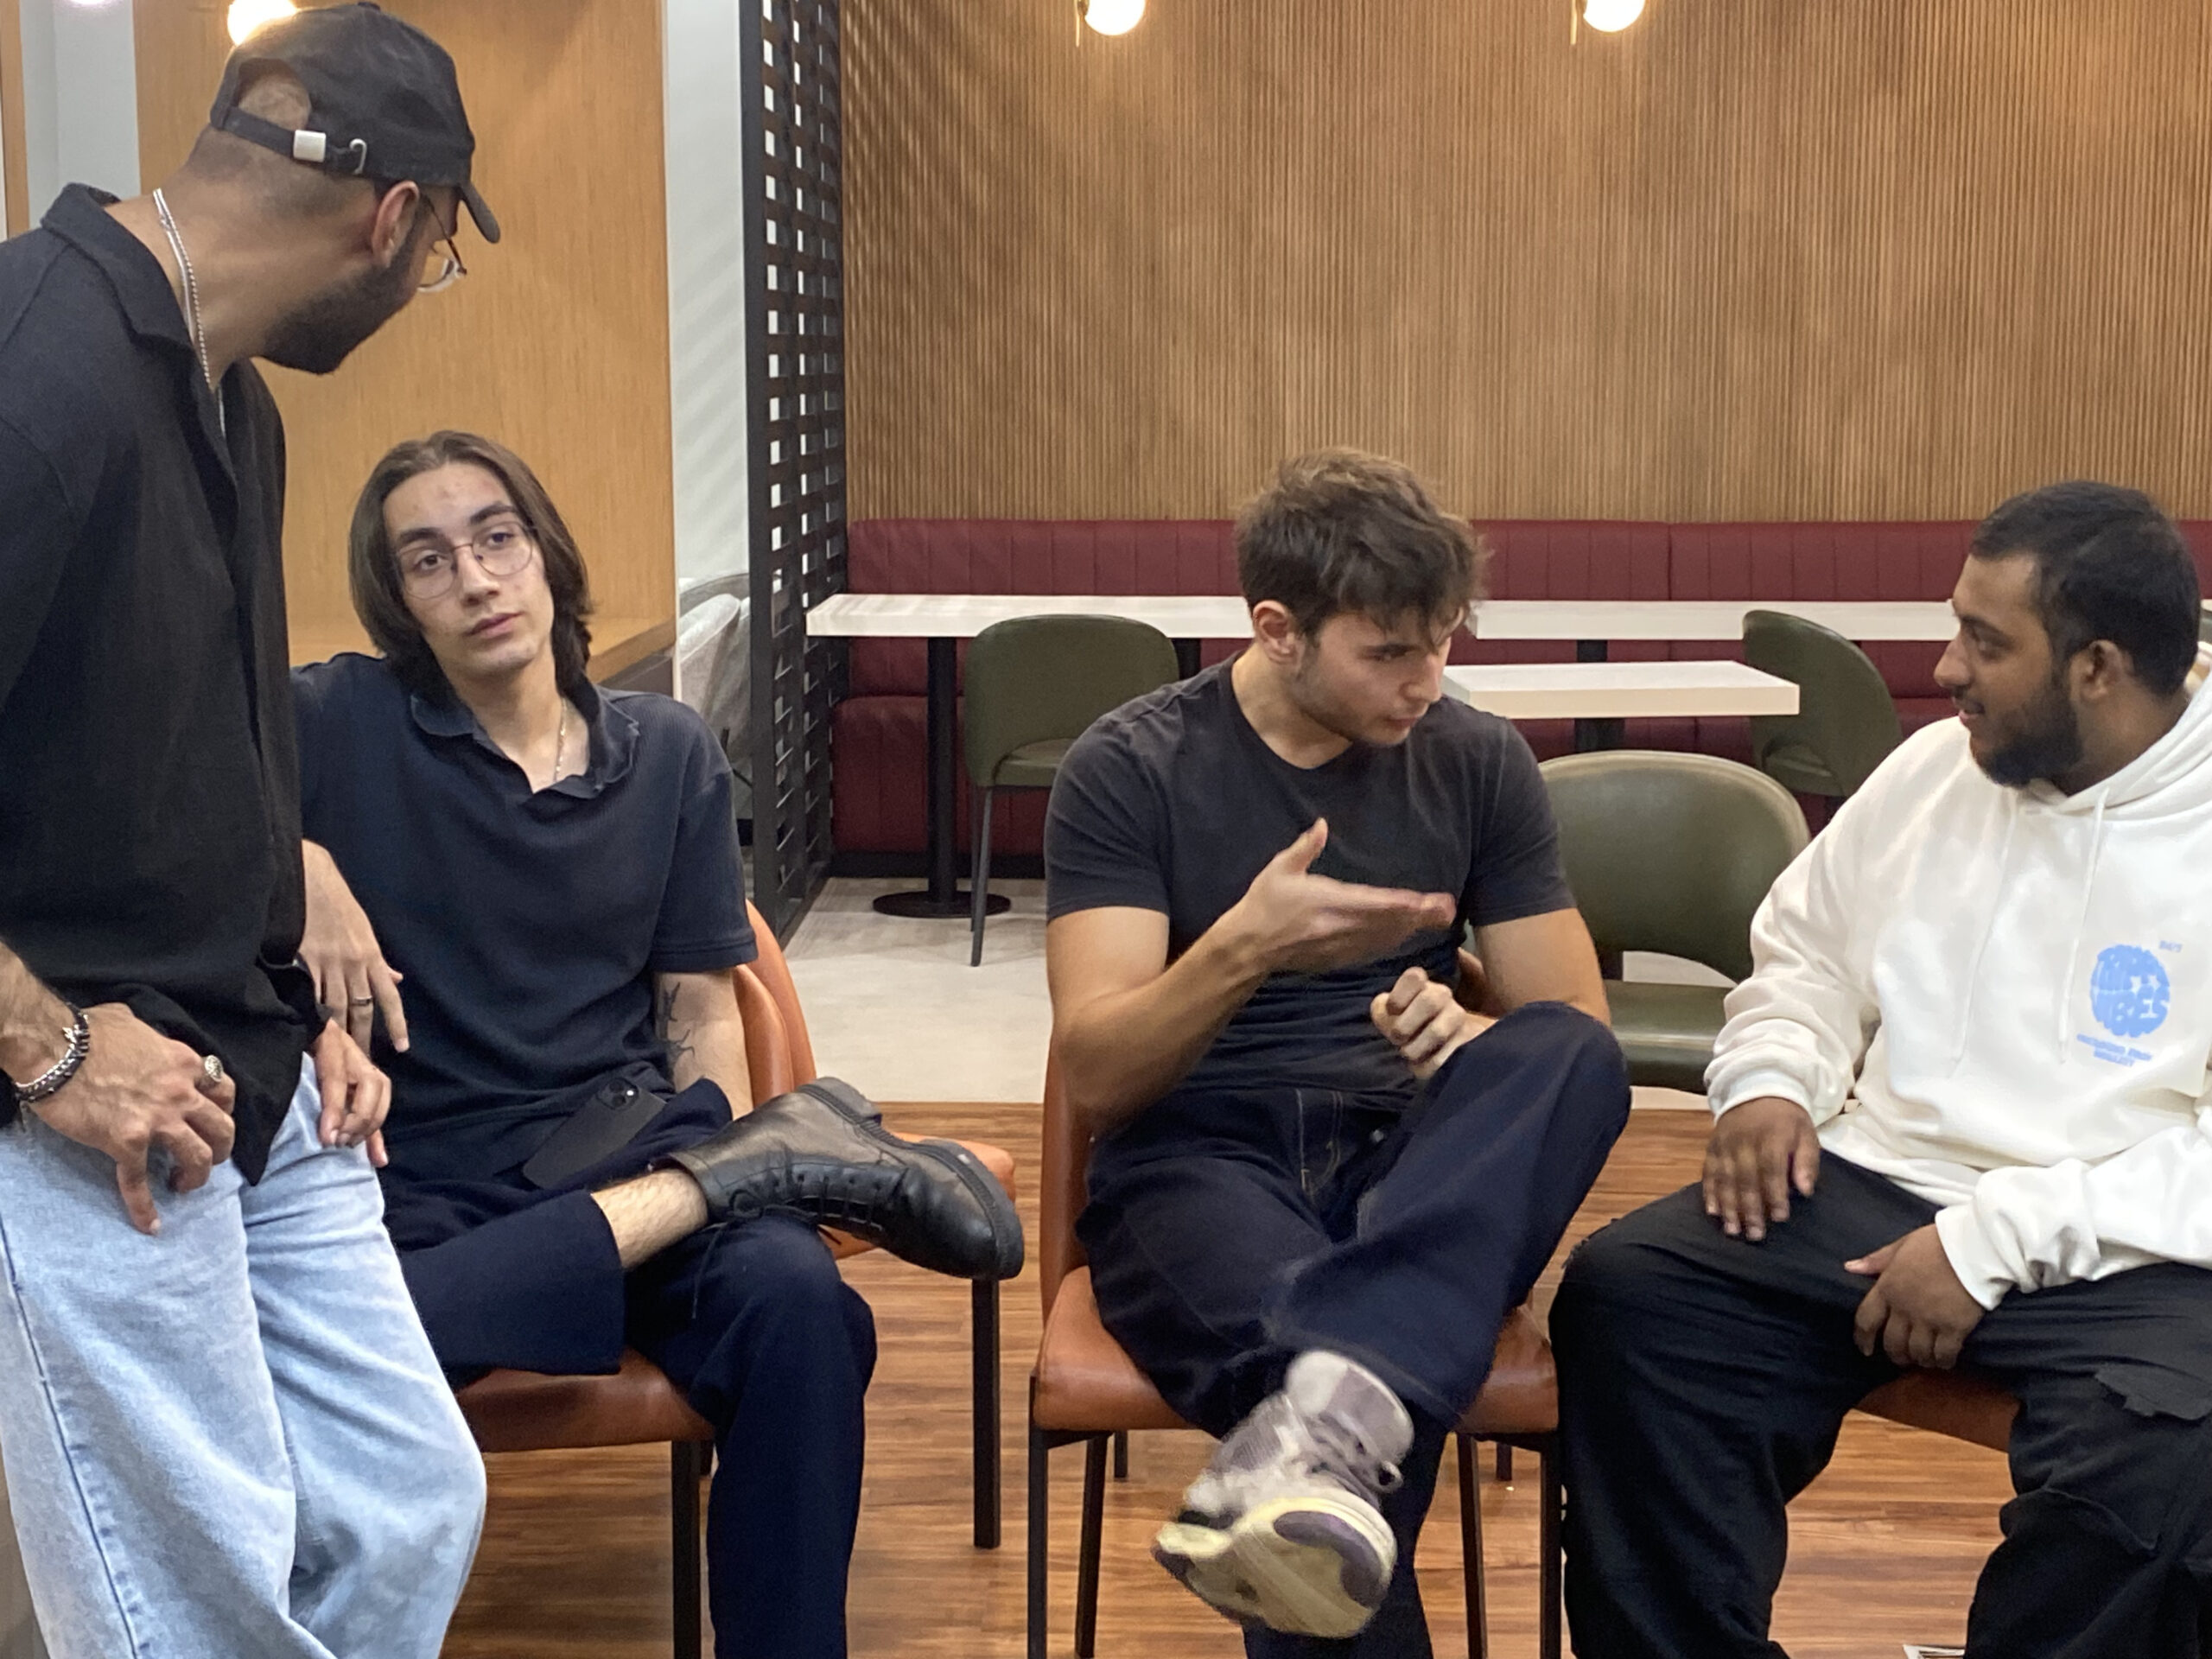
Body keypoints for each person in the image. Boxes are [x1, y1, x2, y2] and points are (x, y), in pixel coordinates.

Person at [292, 430, 1021, 1659]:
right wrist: (299, 863)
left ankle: (737, 1177)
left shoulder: (668, 751)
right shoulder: (339, 722)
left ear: (544, 553)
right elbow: (167, 789)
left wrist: (716, 1134)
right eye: (428, 560)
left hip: (625, 1138)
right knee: (353, 1340)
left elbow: (698, 1005)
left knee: (798, 1303)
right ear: (399, 602)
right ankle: (751, 1171)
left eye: (496, 538)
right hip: (425, 1179)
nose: (474, 578)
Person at [0, 9, 499, 1655]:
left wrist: (292, 912)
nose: (421, 281)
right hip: (88, 1094)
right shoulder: (35, 365)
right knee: (194, 1603)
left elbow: (168, 725)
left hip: (254, 1059)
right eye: (439, 255)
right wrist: (51, 1050)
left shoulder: (233, 403)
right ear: (392, 217)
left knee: (404, 1506)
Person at [1555, 481, 2212, 1658]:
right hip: (1879, 1181)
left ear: (2098, 668)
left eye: (1985, 642)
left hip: (2128, 1240)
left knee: (2168, 1462)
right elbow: (1808, 959)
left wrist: (1987, 1244)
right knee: (1635, 1299)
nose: (1945, 669)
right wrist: (1772, 1077)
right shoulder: (1937, 770)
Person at [1044, 450, 1631, 1653]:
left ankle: (1327, 1410)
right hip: (1198, 1155)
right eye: (1390, 653)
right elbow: (1098, 1076)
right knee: (1315, 1403)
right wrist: (1243, 948)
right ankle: (1335, 1402)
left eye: (1444, 643)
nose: (1428, 681)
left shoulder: (1477, 759)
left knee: (1570, 1058)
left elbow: (1574, 1029)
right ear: (1278, 630)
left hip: (1408, 1157)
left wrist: (1470, 1037)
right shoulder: (1131, 764)